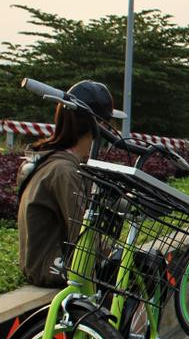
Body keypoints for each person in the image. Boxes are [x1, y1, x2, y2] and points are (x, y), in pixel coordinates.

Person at [16, 81, 117, 286]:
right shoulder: (65, 171)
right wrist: (114, 254)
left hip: (38, 262)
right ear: (96, 125)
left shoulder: (51, 159)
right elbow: (81, 231)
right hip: (52, 267)